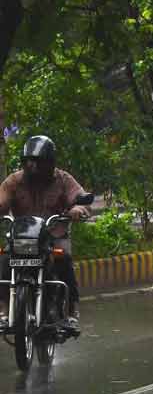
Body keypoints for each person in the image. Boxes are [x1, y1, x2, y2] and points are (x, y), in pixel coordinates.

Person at [0, 135, 91, 327]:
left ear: (50, 162)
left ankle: (71, 308)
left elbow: (78, 196)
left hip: (53, 235)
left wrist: (78, 208)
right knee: (5, 259)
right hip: (23, 237)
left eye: (38, 162)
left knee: (63, 257)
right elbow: (2, 200)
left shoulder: (63, 179)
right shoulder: (14, 181)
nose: (32, 166)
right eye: (28, 161)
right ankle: (5, 307)